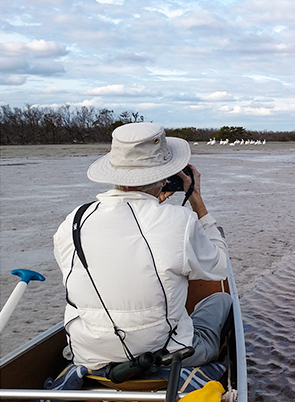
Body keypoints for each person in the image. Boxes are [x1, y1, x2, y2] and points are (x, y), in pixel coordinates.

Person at [53, 122, 232, 372]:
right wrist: (196, 200)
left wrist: (151, 203)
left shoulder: (73, 220)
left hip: (89, 356)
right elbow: (219, 268)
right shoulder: (179, 221)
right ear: (164, 175)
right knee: (222, 300)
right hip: (164, 356)